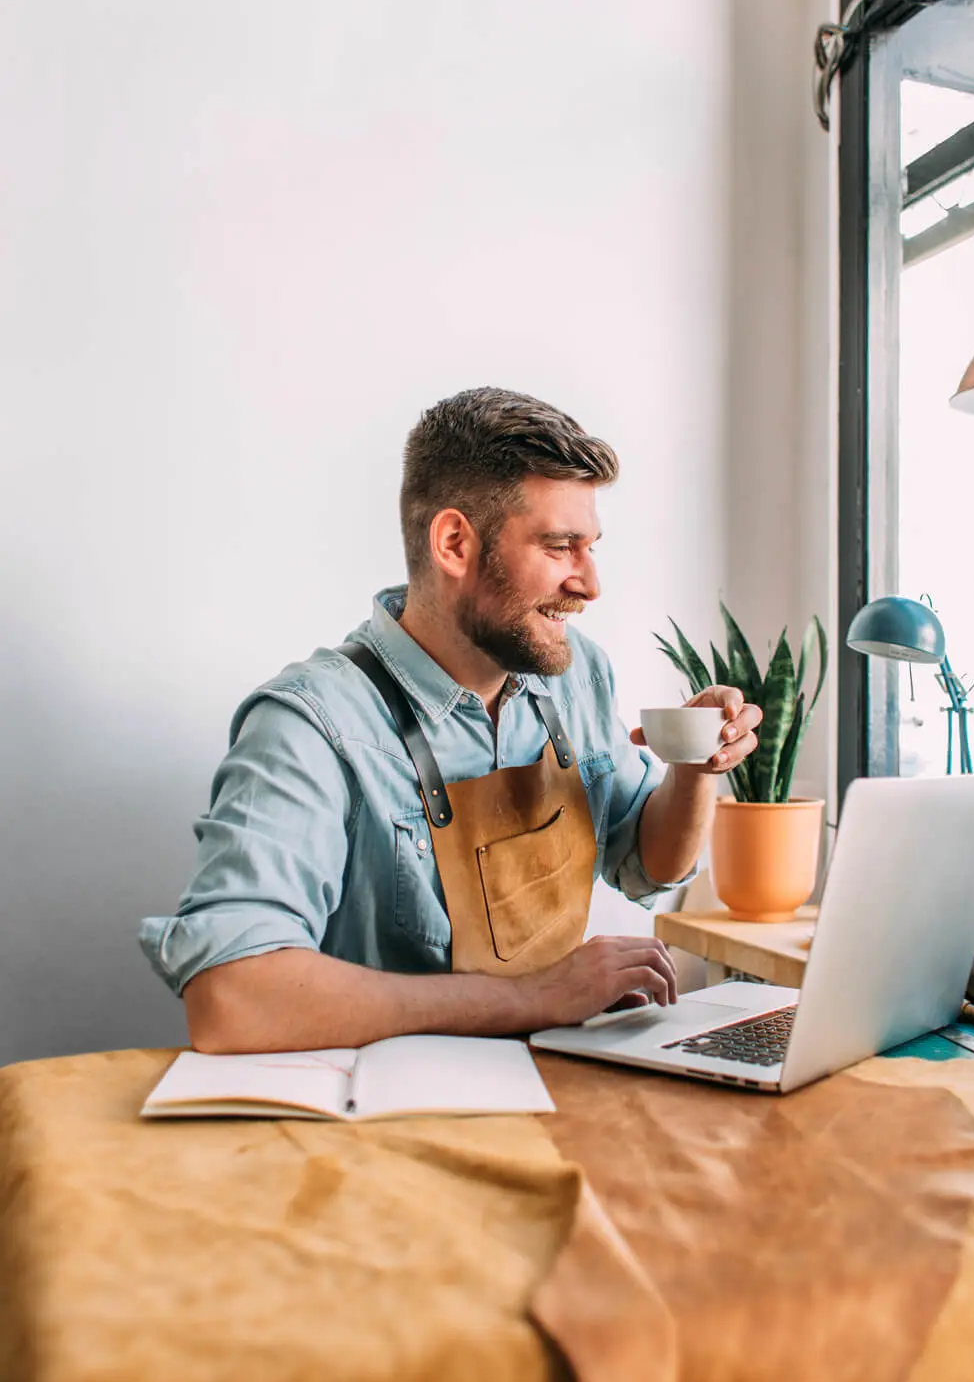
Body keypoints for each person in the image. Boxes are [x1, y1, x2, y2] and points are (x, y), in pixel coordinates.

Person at [140, 388, 763, 1052]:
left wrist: (695, 767)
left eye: (590, 547)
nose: (589, 584)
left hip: (555, 1086)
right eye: (559, 547)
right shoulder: (309, 725)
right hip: (381, 1123)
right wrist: (533, 998)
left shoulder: (577, 672)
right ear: (455, 543)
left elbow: (645, 862)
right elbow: (231, 1000)